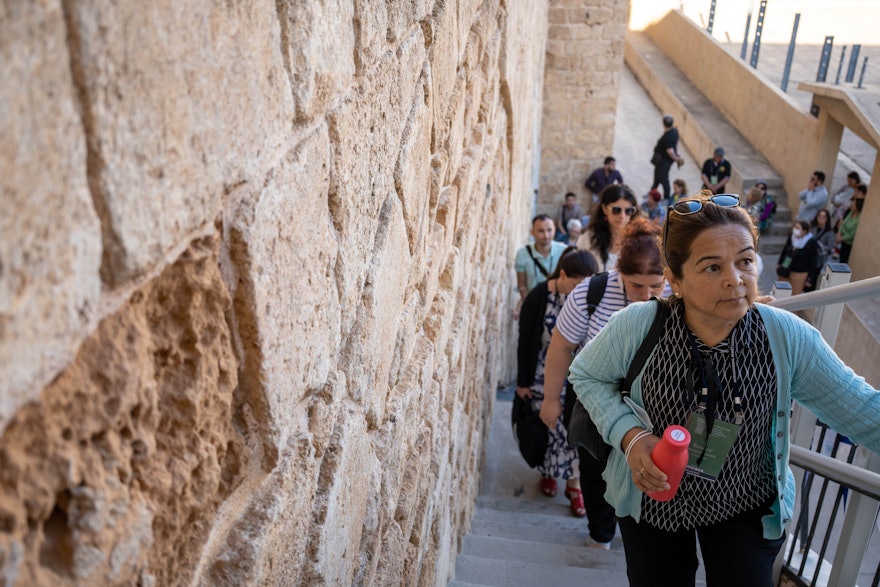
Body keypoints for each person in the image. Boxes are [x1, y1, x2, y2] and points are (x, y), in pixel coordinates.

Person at [568, 192, 880, 586]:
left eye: (745, 261)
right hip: (653, 500)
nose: (735, 279)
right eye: (712, 267)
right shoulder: (638, 326)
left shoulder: (785, 338)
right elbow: (586, 375)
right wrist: (630, 437)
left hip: (745, 504)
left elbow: (864, 411)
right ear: (675, 279)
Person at [540, 217, 669, 550]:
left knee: (650, 469)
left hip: (652, 404)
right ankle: (601, 533)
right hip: (594, 401)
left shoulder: (676, 296)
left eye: (655, 285)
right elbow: (561, 347)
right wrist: (551, 400)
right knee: (595, 470)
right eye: (636, 285)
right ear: (619, 273)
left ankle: (639, 534)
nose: (646, 295)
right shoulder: (591, 292)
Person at [517, 247, 599, 517]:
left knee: (574, 433)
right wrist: (523, 383)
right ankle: (547, 472)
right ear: (562, 274)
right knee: (548, 430)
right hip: (544, 375)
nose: (581, 290)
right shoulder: (540, 296)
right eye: (577, 284)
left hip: (579, 379)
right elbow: (526, 342)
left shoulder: (592, 298)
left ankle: (574, 486)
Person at [514, 214, 569, 316]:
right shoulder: (522, 253)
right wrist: (530, 306)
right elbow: (522, 286)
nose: (546, 235)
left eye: (549, 230)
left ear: (554, 229)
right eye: (541, 231)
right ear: (532, 232)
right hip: (533, 308)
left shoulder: (564, 251)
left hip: (558, 309)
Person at [576, 184, 639, 271]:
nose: (622, 216)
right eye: (616, 210)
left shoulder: (640, 241)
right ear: (604, 209)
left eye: (628, 211)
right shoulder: (588, 239)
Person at [776, 220, 818, 296]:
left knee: (794, 294)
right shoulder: (792, 237)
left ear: (804, 231)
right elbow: (785, 250)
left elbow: (813, 261)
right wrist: (779, 263)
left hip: (799, 272)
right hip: (785, 268)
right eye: (795, 227)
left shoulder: (811, 242)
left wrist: (810, 278)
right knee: (781, 292)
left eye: (798, 228)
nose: (795, 229)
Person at [650, 115, 685, 200]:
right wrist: (677, 155)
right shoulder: (674, 131)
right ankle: (651, 193)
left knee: (663, 178)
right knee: (657, 177)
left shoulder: (667, 138)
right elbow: (676, 144)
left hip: (664, 162)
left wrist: (677, 159)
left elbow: (670, 152)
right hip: (662, 161)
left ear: (664, 124)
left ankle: (666, 197)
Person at [807, 209, 836, 290]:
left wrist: (820, 246)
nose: (821, 218)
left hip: (818, 259)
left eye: (824, 217)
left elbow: (830, 246)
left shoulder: (829, 232)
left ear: (827, 219)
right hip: (808, 256)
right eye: (819, 216)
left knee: (813, 279)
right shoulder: (812, 227)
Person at [836, 192, 865, 264]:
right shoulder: (851, 212)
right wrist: (839, 233)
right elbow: (844, 223)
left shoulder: (859, 218)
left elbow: (853, 233)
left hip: (848, 243)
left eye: (854, 203)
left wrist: (842, 238)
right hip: (841, 238)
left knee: (844, 260)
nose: (851, 204)